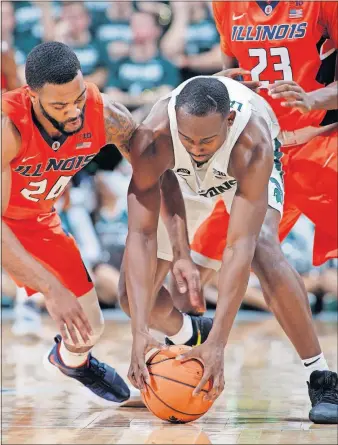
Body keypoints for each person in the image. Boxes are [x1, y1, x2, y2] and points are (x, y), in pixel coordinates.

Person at [120, 76, 338, 424]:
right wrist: (138, 332)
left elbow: (239, 247)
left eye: (206, 139)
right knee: (132, 301)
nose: (197, 148)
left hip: (239, 174)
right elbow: (140, 235)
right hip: (180, 179)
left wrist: (221, 344)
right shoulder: (152, 138)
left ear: (229, 122)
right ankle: (192, 335)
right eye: (188, 138)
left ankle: (322, 377)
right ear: (175, 119)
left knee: (263, 249)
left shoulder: (252, 142)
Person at [2, 41, 139, 405]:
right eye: (59, 105)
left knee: (89, 327)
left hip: (37, 221)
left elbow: (151, 162)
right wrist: (51, 289)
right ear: (32, 96)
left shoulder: (106, 114)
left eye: (77, 98)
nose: (73, 110)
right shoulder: (7, 127)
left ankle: (72, 363)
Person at [209, 1, 337, 270]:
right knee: (207, 263)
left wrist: (311, 99)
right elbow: (231, 80)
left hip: (323, 143)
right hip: (267, 150)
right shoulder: (225, 5)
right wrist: (218, 88)